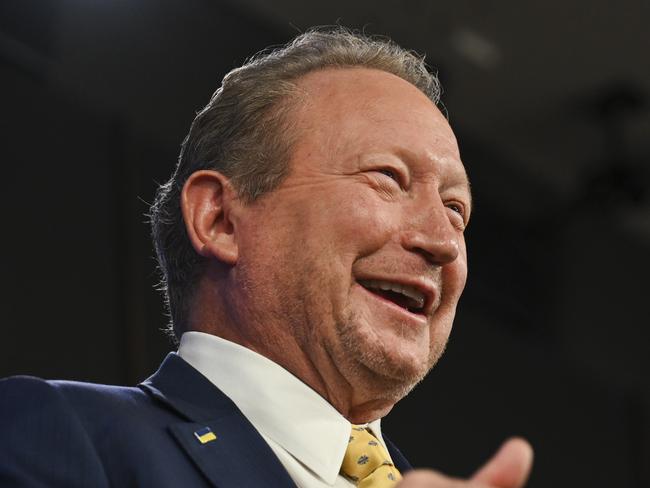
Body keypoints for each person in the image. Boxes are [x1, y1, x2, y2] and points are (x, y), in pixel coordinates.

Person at [0, 27, 533, 487]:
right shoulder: (60, 435)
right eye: (388, 178)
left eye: (456, 210)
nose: (442, 242)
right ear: (220, 220)